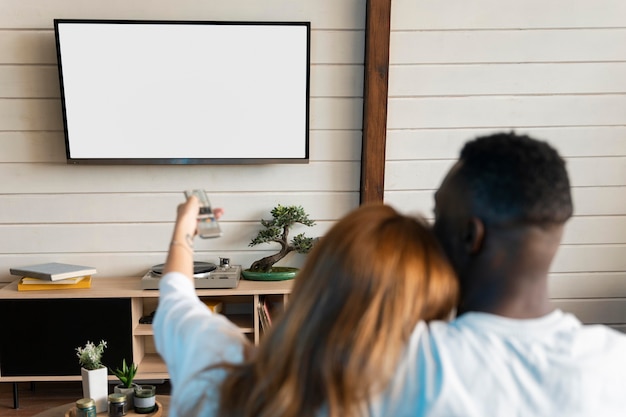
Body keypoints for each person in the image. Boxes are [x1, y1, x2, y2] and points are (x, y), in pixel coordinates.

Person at [153, 201, 458, 417]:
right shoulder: (436, 400)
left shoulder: (220, 370)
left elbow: (175, 299)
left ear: (313, 282)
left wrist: (184, 231)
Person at [407, 132, 626, 416]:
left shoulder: (412, 366)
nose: (429, 234)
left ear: (470, 236)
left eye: (438, 215)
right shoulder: (615, 364)